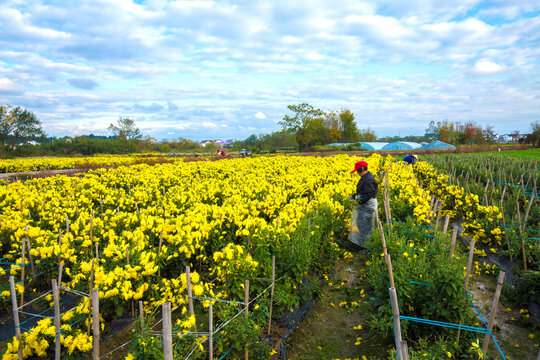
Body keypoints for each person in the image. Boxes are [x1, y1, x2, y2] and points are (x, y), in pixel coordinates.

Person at [348, 160, 378, 248]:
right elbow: (363, 191)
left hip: (368, 206)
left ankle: (367, 247)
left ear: (362, 169)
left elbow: (367, 195)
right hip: (365, 205)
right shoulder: (365, 177)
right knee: (362, 224)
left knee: (366, 226)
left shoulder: (369, 180)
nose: (357, 173)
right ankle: (363, 244)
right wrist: (354, 196)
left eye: (357, 170)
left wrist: (357, 199)